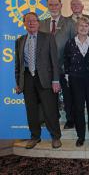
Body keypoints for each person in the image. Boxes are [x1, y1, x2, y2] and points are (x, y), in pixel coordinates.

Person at [15, 12, 62, 149]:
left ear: (38, 22)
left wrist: (55, 80)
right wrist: (19, 83)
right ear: (24, 24)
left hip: (46, 79)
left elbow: (54, 61)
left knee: (50, 110)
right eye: (28, 21)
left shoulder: (48, 38)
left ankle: (55, 137)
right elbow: (18, 65)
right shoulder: (20, 41)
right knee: (31, 110)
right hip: (28, 79)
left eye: (34, 21)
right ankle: (35, 137)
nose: (31, 23)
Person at [39, 0, 76, 130]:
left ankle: (70, 119)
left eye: (56, 5)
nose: (53, 7)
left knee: (67, 95)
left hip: (64, 66)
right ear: (47, 7)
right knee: (49, 96)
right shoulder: (41, 23)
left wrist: (70, 65)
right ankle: (53, 118)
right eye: (50, 5)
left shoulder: (70, 23)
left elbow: (74, 44)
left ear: (61, 6)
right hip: (46, 68)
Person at [64, 17, 89, 147]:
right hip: (76, 80)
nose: (83, 28)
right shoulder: (70, 43)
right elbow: (66, 61)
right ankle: (81, 136)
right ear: (76, 28)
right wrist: (68, 77)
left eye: (86, 26)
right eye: (81, 26)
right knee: (78, 109)